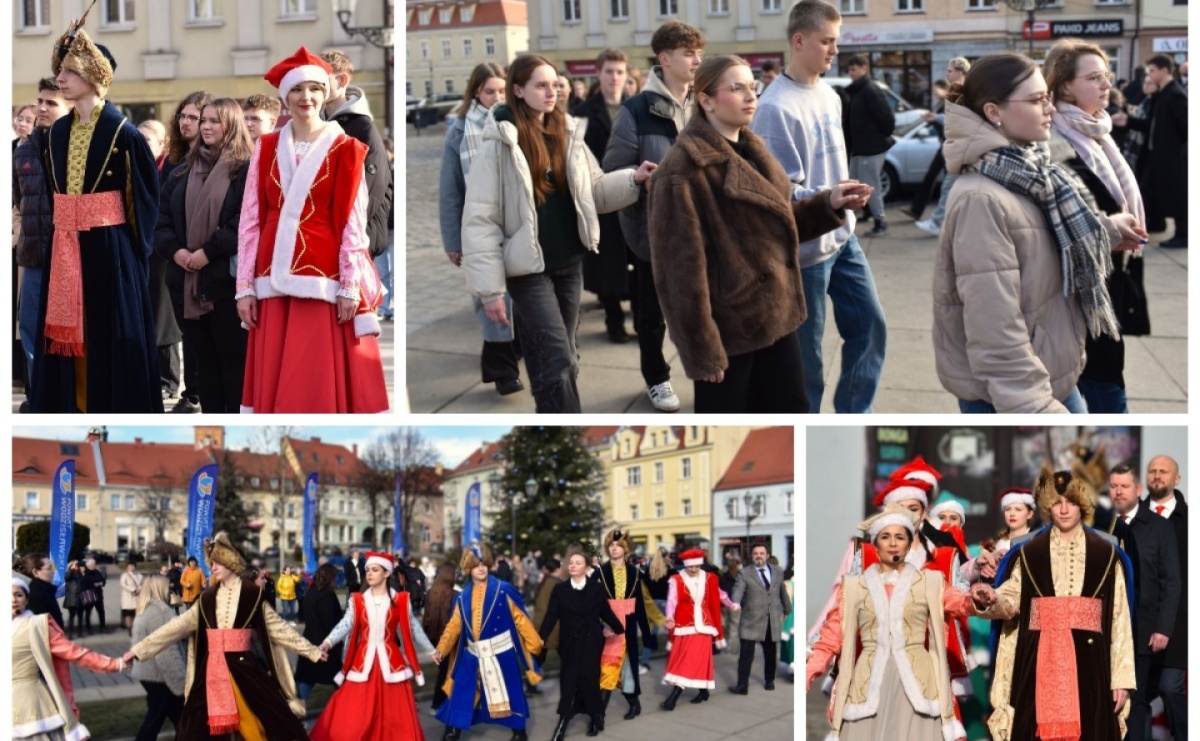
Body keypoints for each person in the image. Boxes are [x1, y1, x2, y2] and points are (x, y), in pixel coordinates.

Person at [933, 52, 1147, 414]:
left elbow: (1037, 240)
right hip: (1016, 393)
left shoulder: (1030, 169)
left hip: (1052, 374)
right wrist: (1036, 406)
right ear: (993, 112)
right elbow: (994, 327)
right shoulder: (982, 198)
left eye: (1046, 97)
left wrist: (1104, 231)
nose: (1049, 108)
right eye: (1036, 100)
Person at [649, 54, 862, 413]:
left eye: (752, 86)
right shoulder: (681, 171)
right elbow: (678, 274)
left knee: (792, 412)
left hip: (777, 316)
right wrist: (702, 349)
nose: (751, 96)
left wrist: (829, 204)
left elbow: (777, 222)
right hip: (730, 332)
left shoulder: (753, 148)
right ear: (706, 100)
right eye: (736, 88)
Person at [460, 53, 653, 414]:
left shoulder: (567, 131)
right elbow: (480, 219)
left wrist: (633, 180)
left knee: (564, 358)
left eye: (555, 84)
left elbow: (593, 191)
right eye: (541, 85)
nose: (552, 92)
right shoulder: (499, 142)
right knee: (557, 357)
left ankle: (553, 418)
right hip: (529, 270)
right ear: (517, 90)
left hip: (569, 264)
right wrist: (489, 291)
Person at [750, 0, 888, 414]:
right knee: (807, 363)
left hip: (843, 239)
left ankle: (853, 416)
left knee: (870, 328)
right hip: (804, 252)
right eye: (827, 41)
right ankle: (808, 432)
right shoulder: (774, 108)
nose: (835, 51)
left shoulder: (829, 95)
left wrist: (844, 194)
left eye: (836, 42)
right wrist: (829, 196)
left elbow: (830, 164)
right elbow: (779, 195)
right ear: (799, 40)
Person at [236, 46, 388, 413]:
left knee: (315, 369)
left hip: (325, 273)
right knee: (276, 368)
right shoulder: (267, 146)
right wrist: (244, 286)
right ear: (285, 96)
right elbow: (250, 217)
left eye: (315, 89)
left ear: (326, 93)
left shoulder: (347, 148)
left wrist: (350, 284)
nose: (307, 97)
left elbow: (353, 221)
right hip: (270, 271)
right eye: (298, 90)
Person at [33, 24, 162, 413]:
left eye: (69, 71)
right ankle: (66, 407)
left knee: (107, 333)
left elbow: (144, 201)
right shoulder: (54, 133)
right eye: (60, 70)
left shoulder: (125, 134)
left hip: (109, 249)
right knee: (62, 337)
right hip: (64, 247)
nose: (60, 78)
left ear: (93, 76)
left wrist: (134, 261)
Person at [972, 468, 1135, 741]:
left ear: (1082, 503)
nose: (1063, 509)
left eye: (1070, 502)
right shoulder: (1028, 553)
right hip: (1037, 660)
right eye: (1057, 502)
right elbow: (1012, 601)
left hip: (1091, 665)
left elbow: (1119, 619)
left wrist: (1121, 680)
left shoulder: (1106, 555)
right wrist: (992, 598)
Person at [124, 533, 325, 739]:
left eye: (217, 562)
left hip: (245, 670)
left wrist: (312, 651)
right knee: (196, 729)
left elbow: (279, 628)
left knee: (260, 723)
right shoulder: (207, 598)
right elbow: (176, 627)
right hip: (211, 672)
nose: (213, 567)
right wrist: (139, 650)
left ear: (230, 561)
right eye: (211, 563)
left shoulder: (251, 595)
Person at [604, 20, 706, 413]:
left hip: (702, 229)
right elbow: (614, 169)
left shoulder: (705, 102)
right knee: (651, 316)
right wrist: (637, 178)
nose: (697, 60)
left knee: (702, 309)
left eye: (699, 52)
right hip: (653, 232)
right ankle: (657, 379)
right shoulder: (636, 109)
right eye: (688, 53)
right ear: (664, 59)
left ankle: (708, 372)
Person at [805, 506, 971, 740]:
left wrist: (981, 597)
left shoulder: (930, 582)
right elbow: (830, 639)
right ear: (876, 543)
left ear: (908, 543)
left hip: (919, 685)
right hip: (868, 685)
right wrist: (808, 673)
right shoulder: (854, 587)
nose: (893, 542)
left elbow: (962, 602)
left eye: (900, 537)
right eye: (885, 536)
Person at [1044, 41, 1149, 414]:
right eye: (1094, 77)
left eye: (1106, 75)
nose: (1106, 84)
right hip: (1081, 295)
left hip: (1110, 279)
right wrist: (1110, 229)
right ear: (1065, 85)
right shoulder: (1053, 141)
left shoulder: (1098, 132)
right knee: (1103, 390)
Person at [155, 97, 253, 414]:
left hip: (225, 282)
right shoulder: (181, 171)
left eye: (215, 121)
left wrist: (206, 254)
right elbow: (160, 222)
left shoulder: (245, 170)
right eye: (204, 120)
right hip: (184, 282)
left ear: (232, 125)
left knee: (232, 362)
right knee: (204, 361)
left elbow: (245, 222)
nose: (207, 126)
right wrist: (179, 252)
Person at [439, 62, 525, 397]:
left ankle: (515, 354)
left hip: (518, 224)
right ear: (476, 92)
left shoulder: (519, 122)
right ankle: (503, 372)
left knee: (521, 296)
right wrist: (452, 240)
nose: (496, 97)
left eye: (502, 91)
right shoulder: (459, 131)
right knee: (489, 298)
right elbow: (450, 191)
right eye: (490, 91)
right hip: (478, 227)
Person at [311, 554, 434, 741]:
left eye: (375, 570)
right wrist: (328, 642)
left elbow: (414, 628)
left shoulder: (400, 600)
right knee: (356, 713)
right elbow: (346, 624)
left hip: (392, 665)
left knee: (394, 716)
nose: (369, 574)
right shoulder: (358, 600)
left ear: (386, 573)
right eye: (368, 570)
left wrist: (431, 650)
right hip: (362, 664)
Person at [431, 544, 545, 741]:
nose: (481, 568)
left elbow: (521, 620)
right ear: (468, 569)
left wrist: (535, 643)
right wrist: (441, 649)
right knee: (462, 690)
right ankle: (453, 730)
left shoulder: (504, 590)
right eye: (476, 565)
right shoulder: (462, 597)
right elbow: (453, 627)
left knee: (510, 694)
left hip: (502, 653)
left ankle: (519, 732)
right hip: (472, 654)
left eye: (484, 564)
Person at [1107, 463, 1181, 741]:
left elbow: (1171, 580)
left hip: (1142, 630)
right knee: (1107, 700)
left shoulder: (1160, 527)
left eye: (1124, 486)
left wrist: (1163, 628)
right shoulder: (1103, 526)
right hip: (1106, 631)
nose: (1118, 492)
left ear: (1138, 489)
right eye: (1113, 486)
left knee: (1136, 701)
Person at [321, 49, 395, 323]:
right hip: (324, 240)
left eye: (321, 78)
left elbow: (372, 192)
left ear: (341, 80)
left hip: (353, 240)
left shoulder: (361, 127)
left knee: (352, 322)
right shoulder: (315, 124)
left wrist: (349, 234)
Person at [13, 78, 72, 413]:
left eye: (52, 102)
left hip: (69, 259)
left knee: (66, 334)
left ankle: (67, 399)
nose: (43, 108)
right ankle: (39, 398)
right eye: (40, 101)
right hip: (34, 257)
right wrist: (21, 232)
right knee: (30, 328)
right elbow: (17, 204)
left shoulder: (75, 149)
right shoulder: (23, 151)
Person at [13, 574, 126, 741]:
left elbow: (74, 652)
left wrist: (116, 664)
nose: (13, 599)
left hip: (31, 705)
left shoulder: (35, 625)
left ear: (26, 600)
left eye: (19, 594)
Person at [573, 48, 635, 344]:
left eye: (620, 72)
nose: (614, 78)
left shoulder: (634, 108)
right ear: (598, 74)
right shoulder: (583, 113)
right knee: (608, 265)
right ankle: (614, 322)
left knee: (636, 262)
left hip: (634, 196)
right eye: (609, 71)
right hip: (602, 198)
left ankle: (639, 316)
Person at [159, 90, 213, 413]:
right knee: (187, 334)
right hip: (178, 263)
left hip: (209, 264)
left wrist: (203, 253)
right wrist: (175, 251)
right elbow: (162, 215)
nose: (187, 122)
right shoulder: (174, 163)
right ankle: (191, 392)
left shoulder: (223, 162)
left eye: (195, 117)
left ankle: (199, 393)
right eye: (183, 116)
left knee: (206, 340)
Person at [539, 551, 626, 740]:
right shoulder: (560, 590)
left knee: (589, 681)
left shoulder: (596, 589)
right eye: (570, 562)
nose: (572, 565)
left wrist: (619, 629)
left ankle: (596, 715)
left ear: (586, 567)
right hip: (569, 644)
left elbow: (606, 613)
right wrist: (541, 637)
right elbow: (551, 616)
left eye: (577, 563)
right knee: (569, 683)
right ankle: (562, 725)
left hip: (591, 643)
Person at [1144, 454, 1187, 739]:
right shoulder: (1130, 520)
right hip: (1140, 624)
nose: (1157, 476)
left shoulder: (1190, 520)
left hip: (1179, 625)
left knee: (1171, 688)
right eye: (1152, 471)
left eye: (1163, 471)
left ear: (1176, 479)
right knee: (1138, 696)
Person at [1126, 55, 1187, 248]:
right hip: (1157, 155)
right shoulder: (1162, 95)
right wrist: (1127, 122)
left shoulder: (1175, 94)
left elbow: (1186, 127)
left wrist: (1177, 152)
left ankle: (1184, 234)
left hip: (1172, 157)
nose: (1150, 76)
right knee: (1148, 190)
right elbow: (1150, 125)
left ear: (1164, 71)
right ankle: (1155, 223)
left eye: (1152, 71)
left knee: (1178, 196)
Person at [596, 528, 654, 722]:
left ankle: (634, 703)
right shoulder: (600, 573)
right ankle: (599, 716)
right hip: (608, 625)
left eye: (618, 545)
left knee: (627, 669)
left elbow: (642, 604)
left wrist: (647, 633)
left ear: (626, 548)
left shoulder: (635, 573)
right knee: (607, 668)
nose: (614, 548)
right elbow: (592, 603)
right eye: (611, 545)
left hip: (628, 624)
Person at [911, 57, 971, 235]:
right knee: (955, 187)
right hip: (957, 145)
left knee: (950, 186)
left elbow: (960, 120)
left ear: (959, 73)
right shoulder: (961, 92)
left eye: (950, 71)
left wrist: (936, 118)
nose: (947, 74)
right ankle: (950, 223)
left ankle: (938, 223)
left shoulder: (961, 93)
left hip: (961, 146)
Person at [660, 548, 726, 709]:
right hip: (684, 625)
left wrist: (734, 604)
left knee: (690, 659)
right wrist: (669, 616)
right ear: (685, 565)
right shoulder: (676, 579)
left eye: (697, 566)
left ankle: (673, 698)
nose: (694, 569)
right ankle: (704, 691)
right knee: (689, 659)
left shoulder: (709, 578)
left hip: (704, 626)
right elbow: (671, 601)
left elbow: (720, 595)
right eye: (691, 567)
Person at [129, 575, 186, 741]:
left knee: (178, 716)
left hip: (153, 674)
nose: (169, 589)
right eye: (166, 586)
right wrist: (180, 682)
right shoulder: (158, 613)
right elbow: (166, 652)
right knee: (156, 718)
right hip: (160, 675)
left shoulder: (151, 609)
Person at [844, 55, 895, 235]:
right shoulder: (856, 90)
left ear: (864, 69)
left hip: (871, 147)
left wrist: (879, 136)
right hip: (860, 147)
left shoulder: (870, 90)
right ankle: (866, 212)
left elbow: (887, 118)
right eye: (849, 69)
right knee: (855, 181)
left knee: (870, 185)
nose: (851, 73)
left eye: (854, 69)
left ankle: (880, 222)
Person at [730, 544, 791, 694]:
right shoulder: (744, 573)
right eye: (756, 553)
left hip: (771, 618)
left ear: (767, 555)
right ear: (752, 556)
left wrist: (787, 608)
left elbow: (782, 590)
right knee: (746, 655)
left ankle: (769, 680)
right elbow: (738, 588)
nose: (758, 556)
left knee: (770, 654)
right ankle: (742, 685)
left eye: (761, 553)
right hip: (750, 619)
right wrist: (736, 602)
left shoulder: (777, 571)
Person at [293, 563, 344, 703]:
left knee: (306, 678)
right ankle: (346, 706)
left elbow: (303, 614)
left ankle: (298, 707)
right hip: (325, 643)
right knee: (339, 677)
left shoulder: (310, 592)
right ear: (330, 578)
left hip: (309, 639)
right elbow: (329, 620)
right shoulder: (327, 594)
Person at [422, 562, 460, 711]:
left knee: (444, 672)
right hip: (449, 639)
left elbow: (427, 618)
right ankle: (438, 704)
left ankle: (439, 704)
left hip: (434, 638)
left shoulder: (431, 593)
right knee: (448, 673)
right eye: (455, 573)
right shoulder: (455, 595)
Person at [14, 552, 65, 631]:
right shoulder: (35, 596)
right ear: (35, 572)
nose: (53, 571)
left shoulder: (45, 590)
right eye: (49, 568)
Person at [81, 557, 106, 634]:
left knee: (101, 611)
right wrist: (95, 584)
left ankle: (102, 627)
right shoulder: (85, 573)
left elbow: (103, 580)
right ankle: (88, 628)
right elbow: (86, 583)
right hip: (90, 596)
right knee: (88, 613)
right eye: (93, 564)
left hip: (98, 595)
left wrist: (101, 583)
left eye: (94, 564)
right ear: (88, 565)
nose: (94, 565)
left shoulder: (97, 572)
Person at [120, 561, 144, 634]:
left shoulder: (139, 575)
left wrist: (139, 589)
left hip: (137, 597)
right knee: (128, 614)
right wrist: (133, 589)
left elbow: (143, 584)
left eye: (133, 566)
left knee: (135, 614)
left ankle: (134, 627)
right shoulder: (124, 575)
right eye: (130, 566)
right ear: (127, 567)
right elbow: (123, 585)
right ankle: (129, 628)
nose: (131, 567)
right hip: (128, 598)